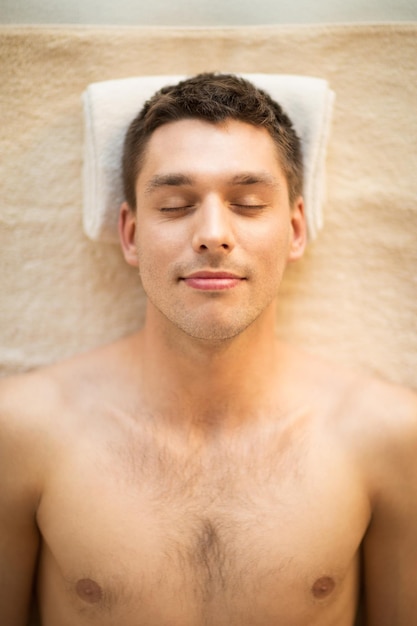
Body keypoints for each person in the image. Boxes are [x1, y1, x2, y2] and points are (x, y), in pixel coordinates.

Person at [1, 73, 416, 626]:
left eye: (247, 202)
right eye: (175, 205)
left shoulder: (386, 436)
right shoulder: (24, 431)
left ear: (295, 230)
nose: (213, 233)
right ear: (129, 234)